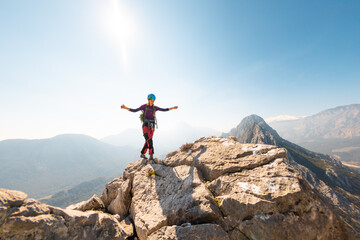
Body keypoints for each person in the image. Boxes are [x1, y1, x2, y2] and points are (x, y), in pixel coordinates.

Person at [121, 94, 178, 160]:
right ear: (148, 100)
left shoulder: (154, 108)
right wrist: (125, 108)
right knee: (149, 140)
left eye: (153, 100)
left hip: (152, 127)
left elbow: (164, 109)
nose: (152, 101)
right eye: (151, 100)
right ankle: (151, 155)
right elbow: (135, 110)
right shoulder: (144, 106)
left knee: (147, 141)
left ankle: (142, 154)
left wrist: (173, 108)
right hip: (145, 126)